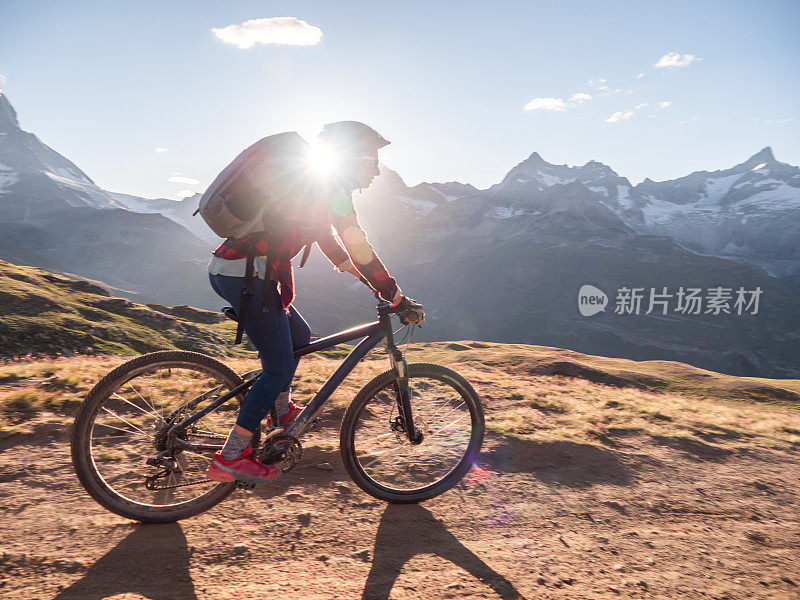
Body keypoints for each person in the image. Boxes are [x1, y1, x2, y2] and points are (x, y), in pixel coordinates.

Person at [205, 121, 424, 483]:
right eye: (372, 159)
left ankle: (281, 409)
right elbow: (359, 248)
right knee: (276, 368)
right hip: (246, 276)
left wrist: (360, 277)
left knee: (299, 338)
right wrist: (395, 297)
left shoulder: (317, 188)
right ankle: (232, 456)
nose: (377, 169)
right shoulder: (328, 188)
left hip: (240, 272)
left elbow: (327, 238)